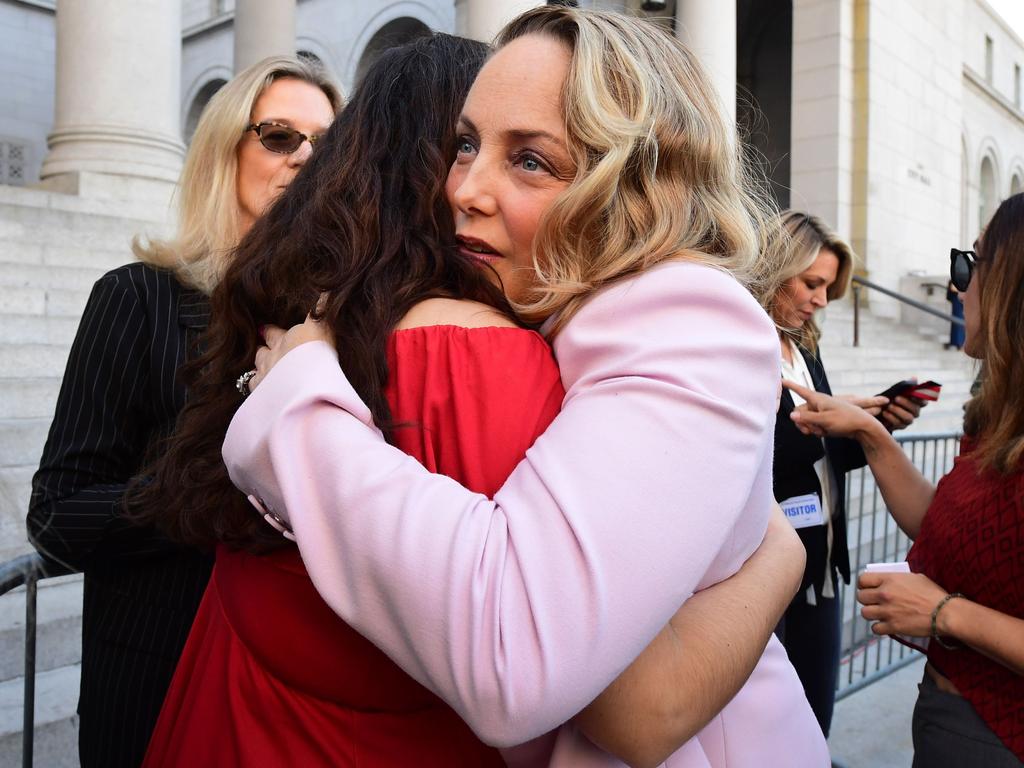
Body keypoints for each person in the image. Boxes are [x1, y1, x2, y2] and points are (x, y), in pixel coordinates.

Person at [132, 32, 808, 768]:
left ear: (643, 181)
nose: (462, 190)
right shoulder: (539, 309)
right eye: (463, 144)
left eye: (530, 158)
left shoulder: (684, 313)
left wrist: (296, 405)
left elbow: (607, 696)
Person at [25, 56, 340, 768]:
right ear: (224, 150)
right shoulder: (137, 299)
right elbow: (57, 515)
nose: (306, 159)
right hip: (156, 677)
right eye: (280, 136)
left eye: (328, 143)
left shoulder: (335, 321)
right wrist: (210, 499)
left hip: (292, 690)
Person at [784, 193, 1024, 766]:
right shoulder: (991, 417)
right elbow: (938, 522)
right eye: (809, 283)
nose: (956, 286)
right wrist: (870, 433)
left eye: (971, 264)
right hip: (944, 713)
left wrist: (946, 615)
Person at [767, 210, 923, 735]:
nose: (820, 300)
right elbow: (747, 461)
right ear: (772, 266)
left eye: (828, 288)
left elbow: (826, 458)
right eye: (812, 283)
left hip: (826, 561)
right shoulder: (742, 342)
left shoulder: (805, 342)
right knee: (772, 730)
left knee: (817, 716)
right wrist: (832, 423)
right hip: (769, 572)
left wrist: (870, 428)